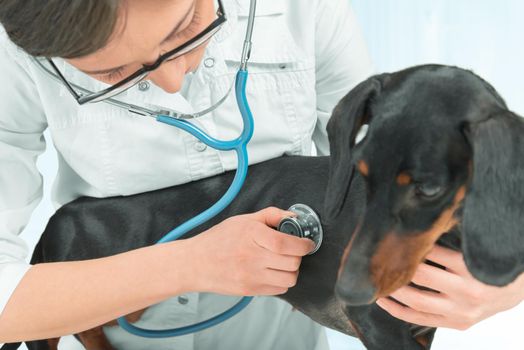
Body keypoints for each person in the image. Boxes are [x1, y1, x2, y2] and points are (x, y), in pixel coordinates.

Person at [0, 1, 522, 349]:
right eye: (111, 74)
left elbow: (375, 169)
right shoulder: (18, 48)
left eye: (185, 29)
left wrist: (509, 280)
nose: (170, 80)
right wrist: (187, 264)